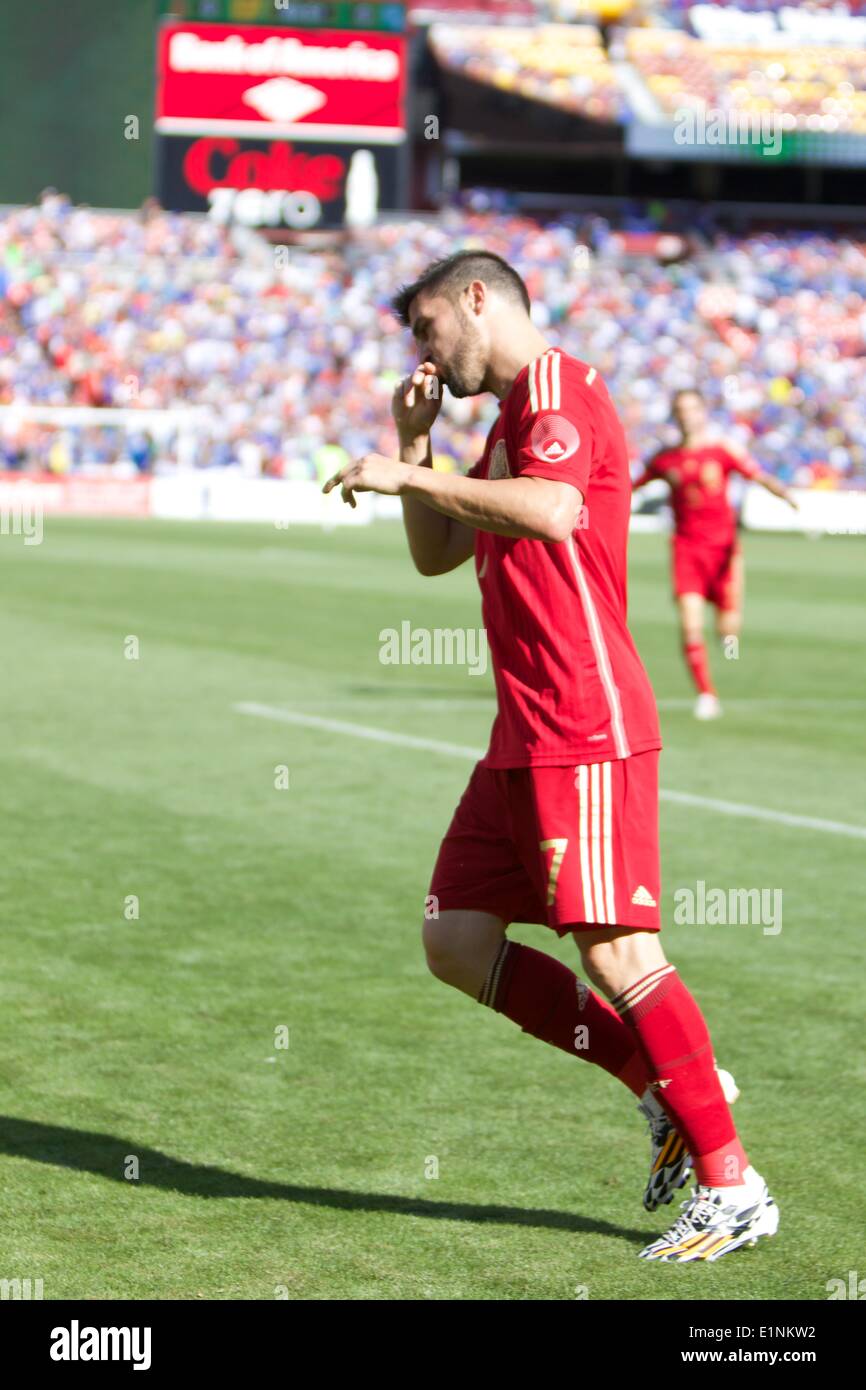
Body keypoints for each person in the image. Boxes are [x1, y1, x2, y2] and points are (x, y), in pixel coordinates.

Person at [323, 251, 778, 1262]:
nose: (426, 354)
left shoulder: (556, 388)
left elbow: (552, 508)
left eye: (429, 328)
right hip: (521, 734)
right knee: (455, 937)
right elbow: (435, 552)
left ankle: (732, 1183)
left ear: (477, 299)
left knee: (617, 951)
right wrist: (413, 442)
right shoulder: (499, 423)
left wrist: (404, 470)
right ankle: (653, 1088)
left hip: (582, 716)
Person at [633, 389, 798, 720]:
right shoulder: (664, 459)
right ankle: (706, 694)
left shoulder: (722, 451)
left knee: (727, 629)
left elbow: (757, 475)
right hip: (686, 549)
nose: (686, 415)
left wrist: (784, 494)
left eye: (692, 408)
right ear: (674, 415)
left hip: (723, 550)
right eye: (680, 409)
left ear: (702, 412)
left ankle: (731, 650)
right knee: (690, 624)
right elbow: (629, 487)